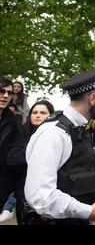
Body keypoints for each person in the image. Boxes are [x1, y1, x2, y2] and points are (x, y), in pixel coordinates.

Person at [24, 67, 95, 225]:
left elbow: (82, 173)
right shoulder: (53, 133)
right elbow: (41, 196)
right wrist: (88, 211)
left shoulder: (79, 129)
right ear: (92, 99)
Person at [0, 77, 25, 220]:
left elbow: (17, 148)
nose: (5, 96)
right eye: (1, 91)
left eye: (9, 93)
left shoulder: (13, 121)